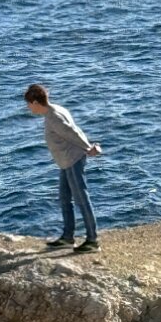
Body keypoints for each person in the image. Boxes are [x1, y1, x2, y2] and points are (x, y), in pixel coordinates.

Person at [24, 82, 102, 253]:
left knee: (82, 199)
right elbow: (75, 129)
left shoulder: (54, 117)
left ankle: (92, 240)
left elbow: (72, 132)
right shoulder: (55, 111)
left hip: (72, 160)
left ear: (35, 102)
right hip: (65, 162)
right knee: (65, 199)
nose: (28, 108)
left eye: (29, 104)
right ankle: (68, 237)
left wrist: (89, 148)